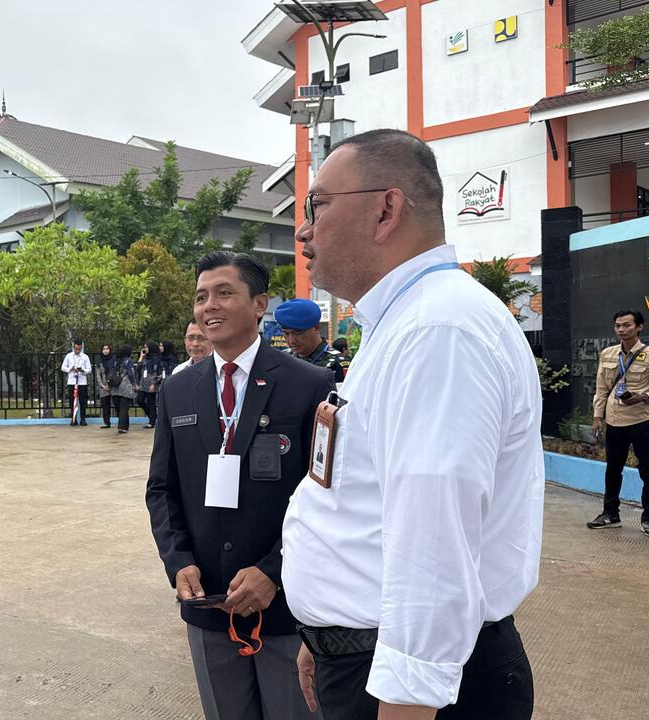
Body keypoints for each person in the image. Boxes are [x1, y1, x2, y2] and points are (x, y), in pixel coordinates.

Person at [283, 129, 541, 719]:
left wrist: (402, 696)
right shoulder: (403, 323)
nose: (304, 229)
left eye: (316, 205)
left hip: (417, 686)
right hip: (369, 658)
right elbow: (365, 503)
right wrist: (325, 635)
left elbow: (434, 542)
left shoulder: (436, 330)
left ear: (385, 209)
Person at [147, 250, 334, 720]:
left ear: (259, 304)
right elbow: (162, 489)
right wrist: (179, 561)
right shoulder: (178, 389)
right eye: (201, 296)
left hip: (286, 605)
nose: (209, 305)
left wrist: (273, 571)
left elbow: (327, 497)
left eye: (224, 293)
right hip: (209, 601)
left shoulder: (310, 384)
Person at [587, 309, 649, 537]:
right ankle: (610, 514)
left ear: (639, 327)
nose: (622, 330)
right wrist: (597, 417)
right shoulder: (607, 354)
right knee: (613, 469)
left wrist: (644, 397)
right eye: (618, 326)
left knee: (647, 469)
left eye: (626, 325)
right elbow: (602, 388)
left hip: (641, 420)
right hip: (614, 420)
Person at [275, 299, 350, 383]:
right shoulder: (282, 359)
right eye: (286, 334)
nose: (292, 340)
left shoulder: (338, 363)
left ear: (316, 328)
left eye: (298, 333)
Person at [61, 339, 92, 426]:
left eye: (79, 349)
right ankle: (73, 419)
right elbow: (63, 367)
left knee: (83, 401)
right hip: (72, 381)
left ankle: (83, 419)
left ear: (81, 347)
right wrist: (69, 369)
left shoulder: (85, 357)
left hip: (82, 382)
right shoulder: (69, 356)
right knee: (72, 401)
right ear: (73, 347)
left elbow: (89, 369)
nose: (77, 350)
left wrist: (83, 370)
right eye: (76, 349)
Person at [110, 344, 138, 434]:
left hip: (115, 387)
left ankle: (125, 425)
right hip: (125, 386)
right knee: (124, 407)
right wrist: (134, 384)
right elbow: (131, 373)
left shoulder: (115, 360)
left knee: (120, 408)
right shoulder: (129, 361)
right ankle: (122, 427)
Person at [136, 340, 163, 428]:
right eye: (144, 347)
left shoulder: (155, 359)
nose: (145, 349)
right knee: (139, 400)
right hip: (143, 383)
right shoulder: (145, 358)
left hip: (151, 382)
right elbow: (139, 368)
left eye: (146, 347)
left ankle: (152, 422)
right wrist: (141, 356)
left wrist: (153, 383)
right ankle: (152, 416)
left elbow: (156, 372)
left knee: (151, 402)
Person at [96, 344, 116, 429]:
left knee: (117, 403)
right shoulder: (99, 360)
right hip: (103, 387)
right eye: (104, 349)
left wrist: (111, 383)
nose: (105, 350)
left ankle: (122, 422)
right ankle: (107, 422)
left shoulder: (114, 359)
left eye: (107, 348)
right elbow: (98, 374)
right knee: (105, 404)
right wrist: (102, 385)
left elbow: (116, 371)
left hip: (114, 386)